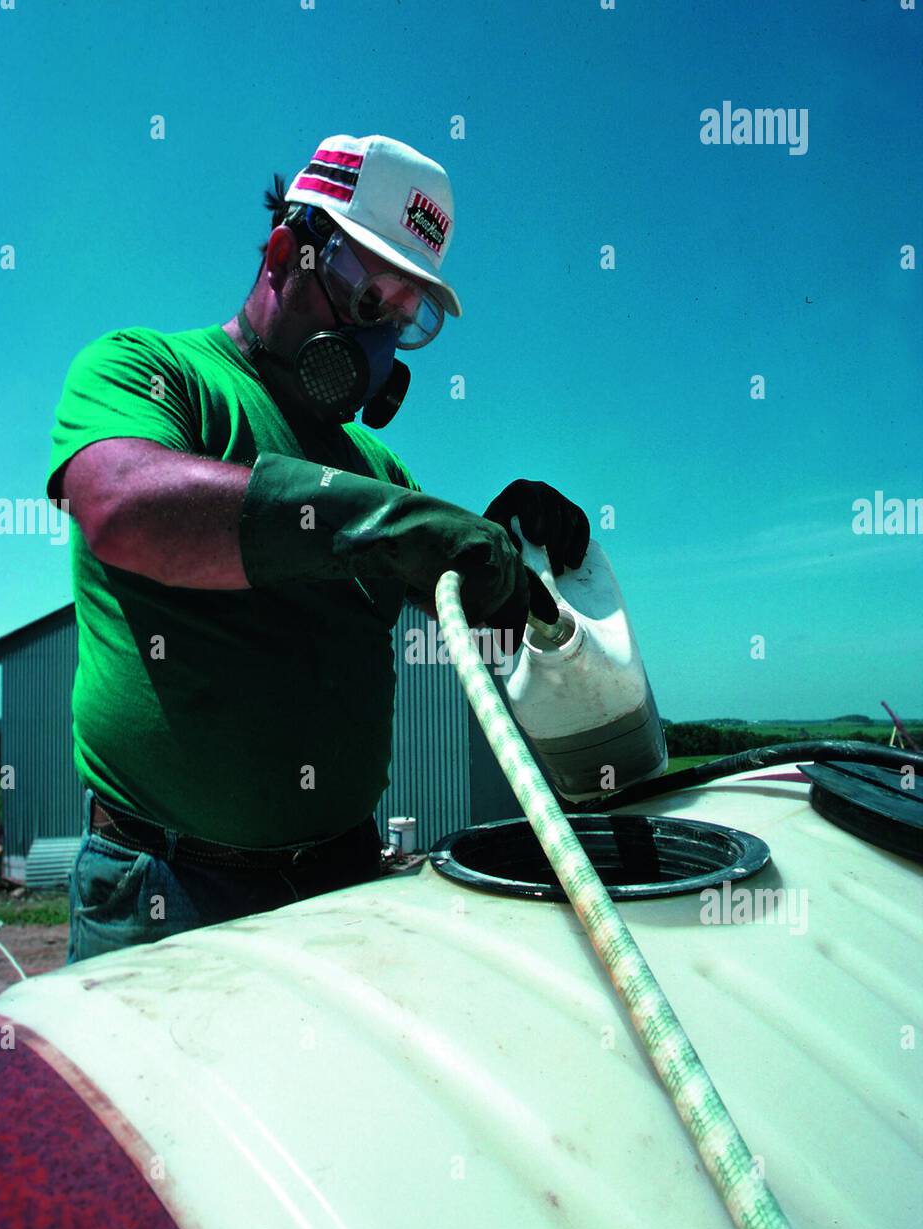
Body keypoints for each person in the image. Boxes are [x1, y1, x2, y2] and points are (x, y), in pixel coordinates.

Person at [47, 133, 589, 964]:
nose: (381, 342)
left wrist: (517, 563)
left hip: (342, 876)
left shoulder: (378, 469)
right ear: (283, 254)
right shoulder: (151, 370)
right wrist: (391, 528)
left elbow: (461, 611)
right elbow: (123, 505)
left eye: (408, 320)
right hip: (166, 887)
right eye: (370, 297)